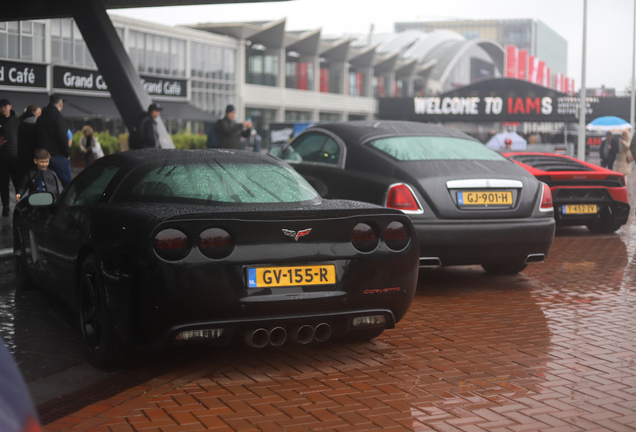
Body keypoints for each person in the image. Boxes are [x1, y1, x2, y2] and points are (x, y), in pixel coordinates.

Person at [36, 94, 72, 187]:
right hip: (58, 156)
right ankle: (67, 201)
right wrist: (67, 153)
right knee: (68, 184)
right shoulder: (58, 117)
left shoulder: (41, 118)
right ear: (61, 104)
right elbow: (62, 137)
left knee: (42, 184)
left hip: (43, 156)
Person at [0, 99, 20, 216]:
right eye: (1, 107)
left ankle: (19, 203)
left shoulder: (17, 121)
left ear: (10, 106)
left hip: (15, 157)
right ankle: (6, 206)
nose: (3, 109)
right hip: (2, 158)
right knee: (3, 183)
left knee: (18, 183)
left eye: (5, 106)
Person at [17, 105, 40, 186]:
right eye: (39, 112)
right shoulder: (36, 124)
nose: (40, 114)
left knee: (21, 183)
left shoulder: (20, 123)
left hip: (20, 157)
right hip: (32, 157)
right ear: (33, 112)